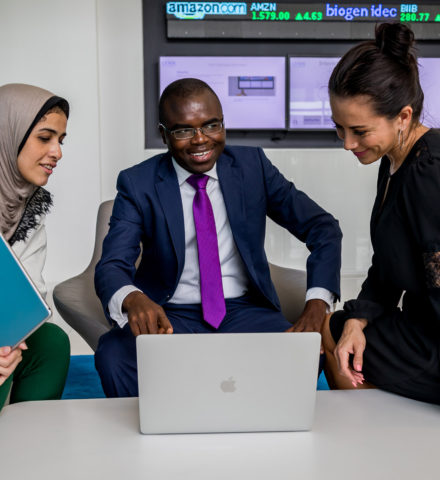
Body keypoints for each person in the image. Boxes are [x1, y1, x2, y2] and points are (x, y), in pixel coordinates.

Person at [95, 78, 342, 397]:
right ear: (164, 134)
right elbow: (112, 265)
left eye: (211, 125)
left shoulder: (252, 166)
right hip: (171, 315)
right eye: (183, 130)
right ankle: (149, 439)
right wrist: (133, 297)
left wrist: (317, 304)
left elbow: (322, 228)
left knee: (303, 351)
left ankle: (259, 436)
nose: (200, 140)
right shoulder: (138, 183)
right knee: (114, 356)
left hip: (245, 309)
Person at [322, 22, 440, 405]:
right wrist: (359, 318)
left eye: (359, 131)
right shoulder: (393, 161)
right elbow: (388, 264)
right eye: (339, 129)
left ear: (403, 117)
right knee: (340, 328)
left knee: (331, 334)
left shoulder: (428, 172)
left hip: (432, 343)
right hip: (421, 326)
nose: (347, 144)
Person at [0, 83, 71, 470]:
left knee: (50, 343)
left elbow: (28, 293)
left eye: (60, 139)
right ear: (5, 133)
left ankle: (21, 460)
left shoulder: (26, 206)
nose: (57, 152)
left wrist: (11, 339)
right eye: (45, 137)